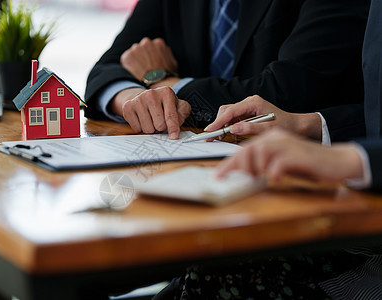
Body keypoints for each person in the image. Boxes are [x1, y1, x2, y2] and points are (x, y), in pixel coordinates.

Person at [153, 0, 382, 298]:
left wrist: (354, 159)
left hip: (365, 248)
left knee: (219, 276)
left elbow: (283, 87)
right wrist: (310, 125)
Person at [84, 0, 370, 141]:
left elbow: (282, 95)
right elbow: (106, 68)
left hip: (295, 179)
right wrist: (134, 97)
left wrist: (161, 81)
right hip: (187, 167)